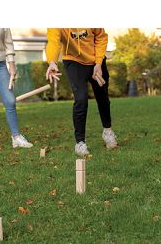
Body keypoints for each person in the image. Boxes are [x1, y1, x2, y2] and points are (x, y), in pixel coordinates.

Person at [45, 28, 118, 156]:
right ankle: (80, 143)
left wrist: (99, 63)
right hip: (73, 60)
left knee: (102, 97)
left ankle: (108, 131)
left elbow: (101, 37)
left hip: (96, 60)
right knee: (81, 99)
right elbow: (53, 41)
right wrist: (52, 61)